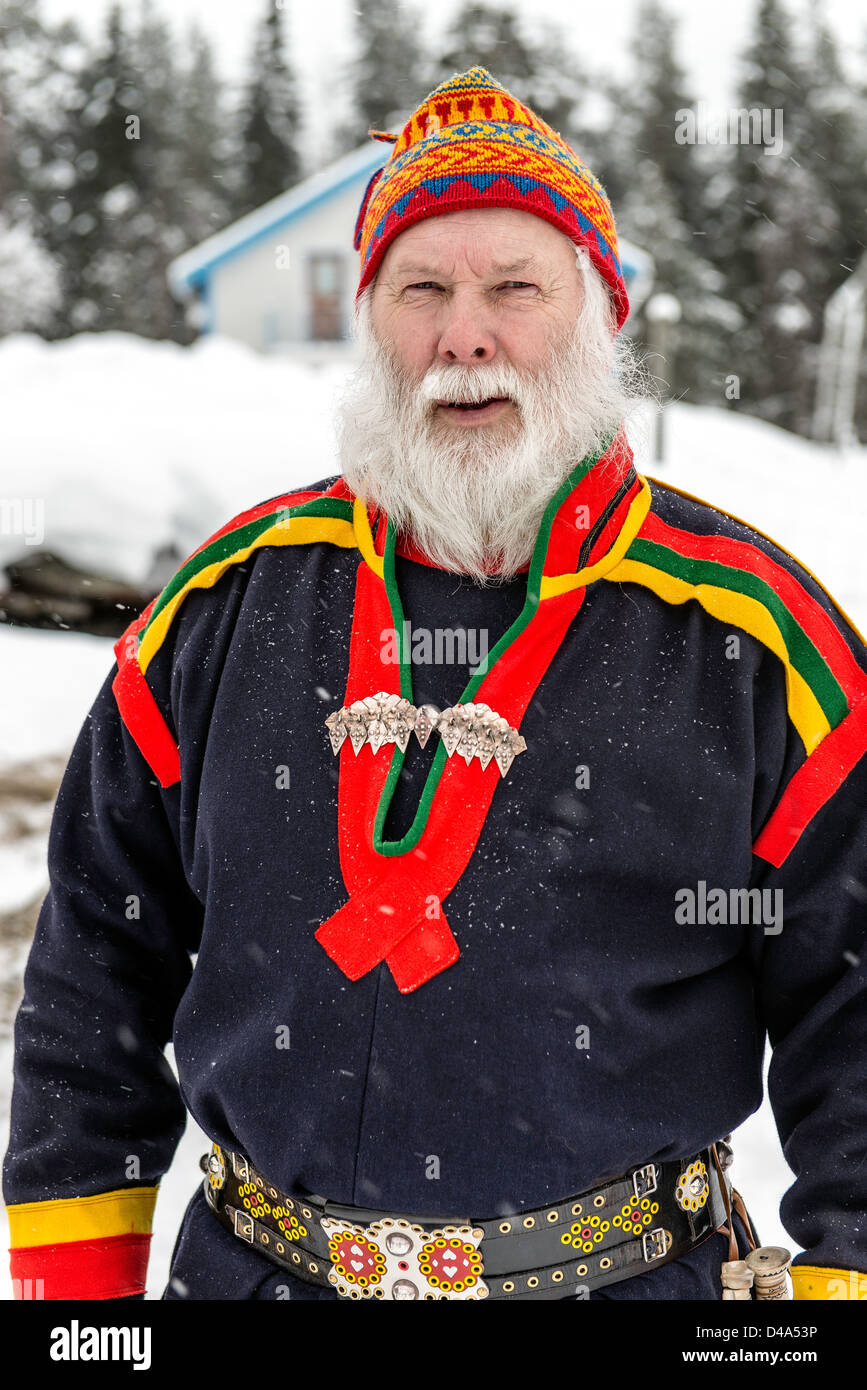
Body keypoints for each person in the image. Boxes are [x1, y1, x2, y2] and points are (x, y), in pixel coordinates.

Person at [4, 66, 866, 1303]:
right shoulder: (226, 604)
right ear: (373, 326)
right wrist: (73, 1308)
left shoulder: (754, 637)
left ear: (597, 315)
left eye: (516, 287)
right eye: (422, 289)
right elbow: (96, 964)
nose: (466, 333)